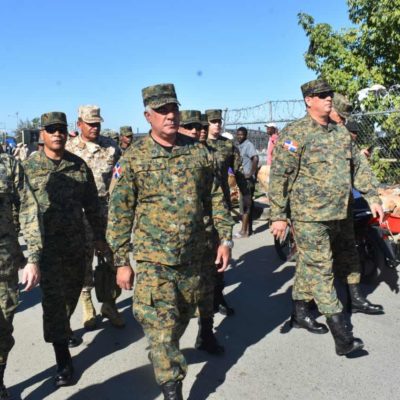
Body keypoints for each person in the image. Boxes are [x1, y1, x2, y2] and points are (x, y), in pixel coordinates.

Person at [106, 83, 234, 399]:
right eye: (162, 110)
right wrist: (122, 263)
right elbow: (119, 213)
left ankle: (198, 340)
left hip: (196, 255)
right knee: (161, 331)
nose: (170, 115)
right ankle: (172, 389)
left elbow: (217, 198)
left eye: (173, 108)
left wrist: (225, 239)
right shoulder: (134, 158)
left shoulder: (199, 153)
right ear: (147, 116)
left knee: (186, 314)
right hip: (153, 262)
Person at [269, 79, 384, 356]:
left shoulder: (340, 133)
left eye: (329, 94)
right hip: (310, 217)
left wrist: (373, 196)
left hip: (341, 212)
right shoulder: (294, 134)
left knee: (342, 259)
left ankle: (300, 312)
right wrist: (278, 215)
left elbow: (359, 166)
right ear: (309, 100)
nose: (328, 98)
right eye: (321, 95)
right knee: (322, 269)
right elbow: (279, 177)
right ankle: (342, 334)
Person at [23, 112, 104, 387]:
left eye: (61, 129)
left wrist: (101, 238)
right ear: (42, 134)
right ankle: (62, 357)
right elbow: (19, 208)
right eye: (51, 129)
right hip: (46, 248)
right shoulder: (29, 167)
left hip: (75, 244)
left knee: (71, 294)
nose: (57, 133)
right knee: (54, 302)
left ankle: (64, 328)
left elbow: (92, 205)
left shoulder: (79, 166)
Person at [66, 105, 125, 330]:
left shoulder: (112, 148)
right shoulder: (70, 148)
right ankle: (87, 302)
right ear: (79, 124)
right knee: (84, 260)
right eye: (90, 123)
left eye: (97, 123)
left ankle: (110, 303)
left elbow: (120, 177)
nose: (95, 127)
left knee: (114, 259)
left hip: (107, 212)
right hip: (80, 214)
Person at [0, 147, 42, 399]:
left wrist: (33, 258)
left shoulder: (7, 164)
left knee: (3, 330)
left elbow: (28, 208)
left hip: (3, 265)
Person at [235, 127, 259, 237]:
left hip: (248, 180)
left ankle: (244, 231)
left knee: (246, 205)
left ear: (246, 135)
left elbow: (255, 158)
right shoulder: (240, 145)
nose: (240, 136)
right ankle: (248, 229)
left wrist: (250, 173)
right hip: (242, 180)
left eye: (242, 135)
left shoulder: (248, 145)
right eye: (238, 134)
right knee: (246, 204)